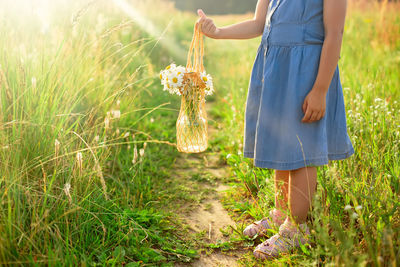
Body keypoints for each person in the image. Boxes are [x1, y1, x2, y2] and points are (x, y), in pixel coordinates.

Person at [196, 0, 354, 260]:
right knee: (283, 142)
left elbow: (335, 33)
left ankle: (297, 228)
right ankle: (281, 214)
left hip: (307, 72)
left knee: (302, 148)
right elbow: (259, 24)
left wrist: (320, 90)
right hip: (277, 69)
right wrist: (218, 31)